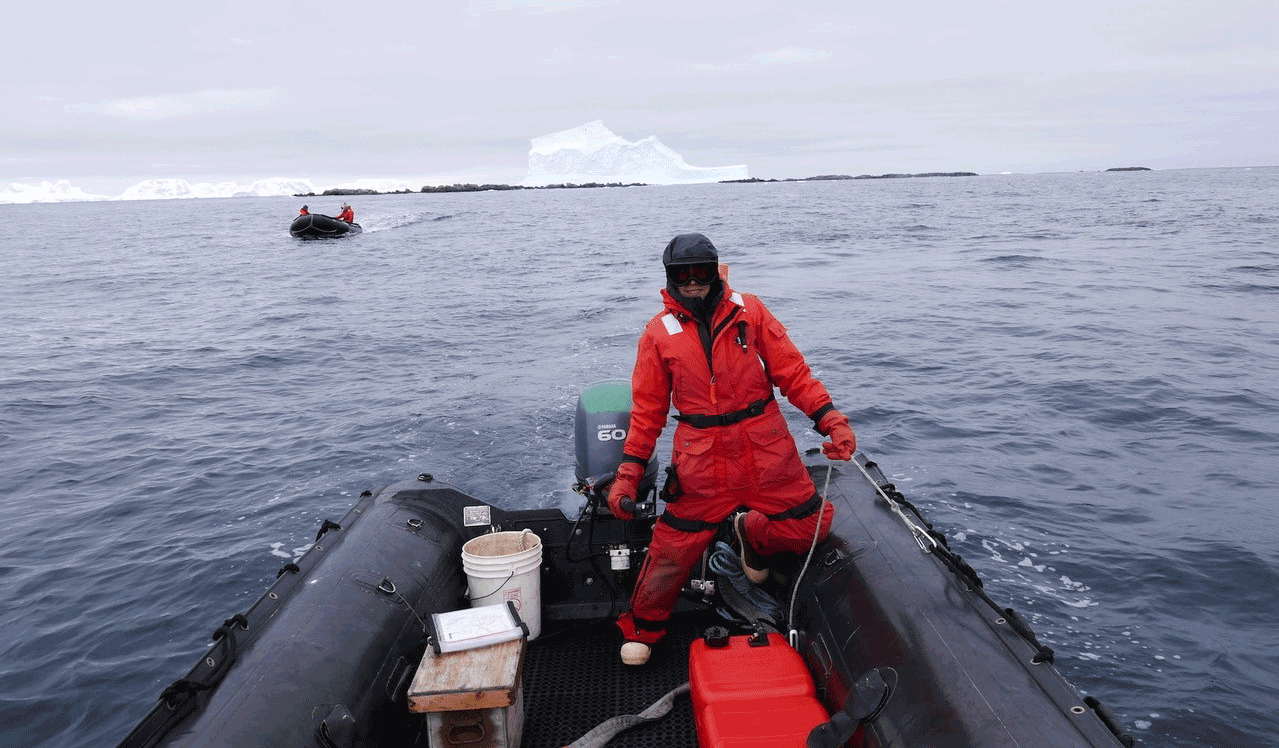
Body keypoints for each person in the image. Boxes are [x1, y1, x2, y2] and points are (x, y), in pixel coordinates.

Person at [607, 232, 858, 666]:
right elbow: (648, 413)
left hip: (766, 451)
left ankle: (752, 533)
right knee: (671, 551)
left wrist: (831, 420)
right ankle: (644, 629)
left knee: (810, 529)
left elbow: (793, 373)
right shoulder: (657, 334)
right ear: (669, 278)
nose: (692, 282)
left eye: (701, 272)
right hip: (701, 462)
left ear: (715, 271)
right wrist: (628, 474)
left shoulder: (751, 311)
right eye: (681, 274)